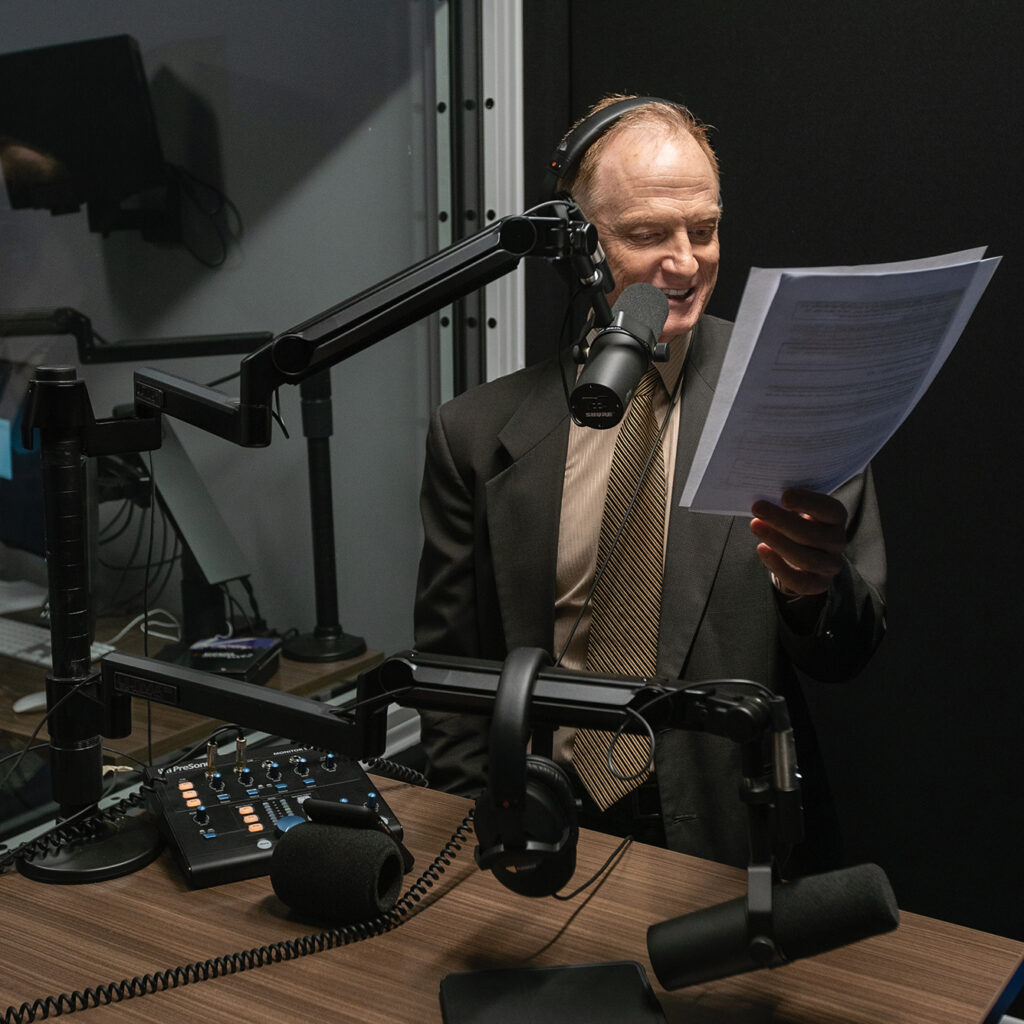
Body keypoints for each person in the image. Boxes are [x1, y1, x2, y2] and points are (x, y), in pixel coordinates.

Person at [413, 95, 886, 872]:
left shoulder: (788, 390)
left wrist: (811, 590)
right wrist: (479, 837)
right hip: (545, 832)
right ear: (579, 248)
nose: (687, 261)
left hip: (725, 849)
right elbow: (452, 678)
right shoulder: (473, 434)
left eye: (704, 230)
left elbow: (850, 648)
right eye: (645, 235)